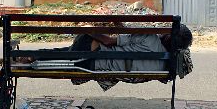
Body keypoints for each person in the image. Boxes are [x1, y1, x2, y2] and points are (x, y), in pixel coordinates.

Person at [15, 24, 193, 72]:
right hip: (97, 65)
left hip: (91, 59)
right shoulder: (165, 65)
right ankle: (29, 57)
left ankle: (28, 57)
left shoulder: (149, 37)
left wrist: (89, 30)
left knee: (77, 46)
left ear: (168, 35)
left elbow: (108, 42)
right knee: (67, 53)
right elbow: (129, 44)